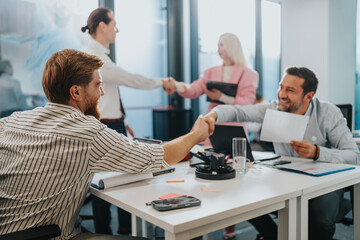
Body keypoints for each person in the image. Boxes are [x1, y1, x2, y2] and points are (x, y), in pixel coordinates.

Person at [0, 49, 210, 240]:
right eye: (98, 85)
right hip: (51, 235)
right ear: (76, 92)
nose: (102, 93)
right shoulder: (86, 132)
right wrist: (195, 135)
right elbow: (157, 157)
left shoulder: (13, 120)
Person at [204, 66, 360, 240]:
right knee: (242, 199)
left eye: (290, 90)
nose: (281, 94)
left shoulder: (328, 113)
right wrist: (213, 116)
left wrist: (316, 152)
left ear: (308, 96)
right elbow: (238, 111)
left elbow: (354, 155)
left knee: (320, 220)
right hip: (285, 179)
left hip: (323, 183)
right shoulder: (273, 108)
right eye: (281, 87)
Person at [81, 8, 174, 234]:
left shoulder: (100, 55)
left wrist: (125, 121)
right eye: (114, 24)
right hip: (106, 126)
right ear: (102, 26)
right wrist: (162, 81)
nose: (117, 30)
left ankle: (124, 230)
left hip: (116, 123)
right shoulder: (95, 58)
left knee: (125, 179)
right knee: (104, 184)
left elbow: (111, 93)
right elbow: (129, 79)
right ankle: (106, 233)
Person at [165, 32, 258, 119]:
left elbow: (247, 103)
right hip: (212, 122)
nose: (218, 49)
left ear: (232, 46)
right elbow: (194, 89)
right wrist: (176, 86)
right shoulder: (210, 72)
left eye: (221, 45)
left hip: (235, 122)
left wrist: (221, 97)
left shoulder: (249, 74)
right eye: (217, 45)